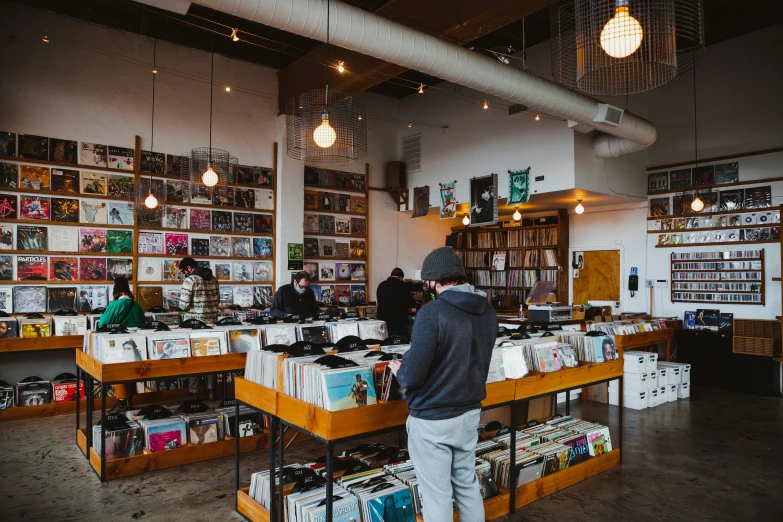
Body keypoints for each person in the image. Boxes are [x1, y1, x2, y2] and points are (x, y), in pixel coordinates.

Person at [389, 247, 497, 522]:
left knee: (437, 495)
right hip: (470, 412)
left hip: (433, 419)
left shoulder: (432, 312)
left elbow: (413, 375)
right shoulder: (487, 311)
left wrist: (402, 371)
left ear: (434, 280)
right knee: (467, 485)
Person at [98, 277, 146, 412]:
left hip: (118, 344)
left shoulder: (114, 306)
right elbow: (142, 323)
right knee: (131, 371)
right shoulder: (136, 305)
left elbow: (102, 325)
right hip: (135, 344)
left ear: (116, 293)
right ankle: (130, 400)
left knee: (117, 371)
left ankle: (121, 401)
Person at [178, 257, 220, 399]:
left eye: (184, 271)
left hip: (194, 325)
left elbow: (183, 306)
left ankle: (193, 392)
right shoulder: (213, 279)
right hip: (212, 324)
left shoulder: (191, 280)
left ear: (189, 268)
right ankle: (211, 391)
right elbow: (217, 300)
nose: (185, 274)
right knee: (211, 356)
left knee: (194, 357)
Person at [376, 268, 414, 338]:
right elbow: (411, 303)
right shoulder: (402, 286)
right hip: (397, 324)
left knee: (385, 345)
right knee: (399, 345)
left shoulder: (381, 285)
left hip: (382, 323)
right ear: (400, 277)